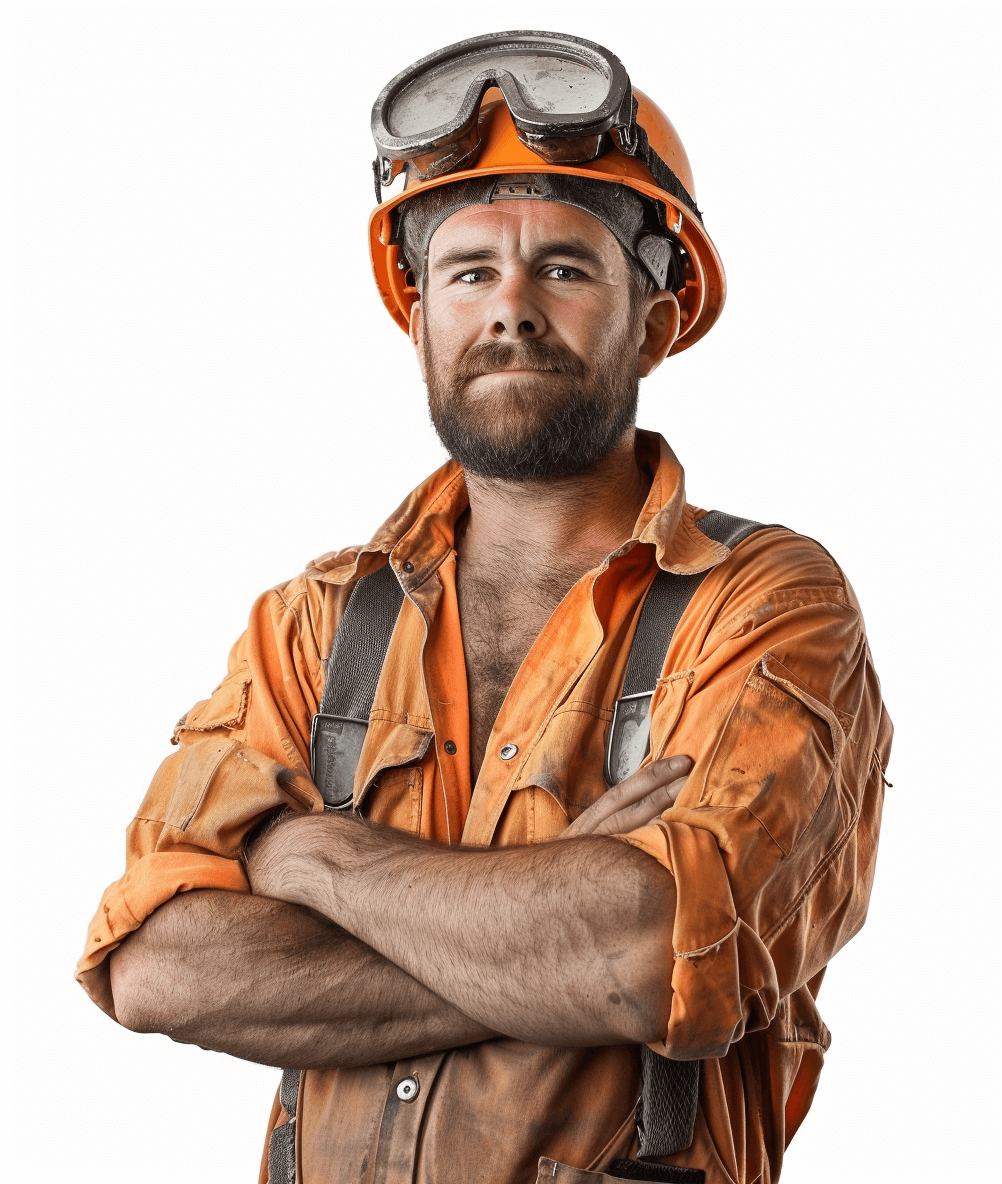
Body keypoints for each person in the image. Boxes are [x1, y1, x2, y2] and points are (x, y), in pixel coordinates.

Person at [77, 31, 891, 1184]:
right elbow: (157, 961)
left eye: (564, 267)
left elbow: (649, 951)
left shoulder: (764, 606)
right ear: (419, 322)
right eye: (468, 271)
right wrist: (538, 945)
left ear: (653, 321)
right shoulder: (315, 625)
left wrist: (315, 860)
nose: (510, 307)